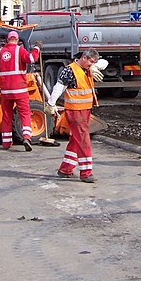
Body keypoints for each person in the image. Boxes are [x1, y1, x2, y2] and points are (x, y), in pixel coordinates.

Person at [47, 49, 105, 182]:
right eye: (90, 62)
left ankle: (65, 169)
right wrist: (51, 103)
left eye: (93, 63)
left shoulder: (87, 68)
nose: (92, 65)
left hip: (84, 110)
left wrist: (95, 66)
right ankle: (86, 173)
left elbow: (104, 62)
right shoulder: (70, 70)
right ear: (84, 58)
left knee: (76, 139)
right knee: (84, 140)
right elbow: (59, 87)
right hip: (75, 112)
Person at [0, 31, 42, 151]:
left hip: (5, 91)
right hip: (20, 89)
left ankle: (6, 142)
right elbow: (31, 58)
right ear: (18, 40)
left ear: (7, 40)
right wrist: (37, 48)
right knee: (24, 114)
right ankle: (26, 137)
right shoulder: (20, 50)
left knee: (7, 116)